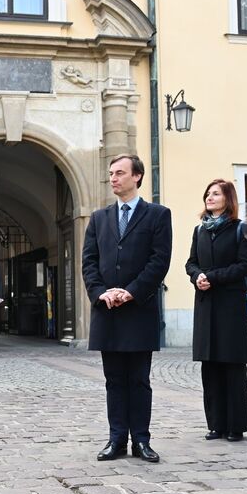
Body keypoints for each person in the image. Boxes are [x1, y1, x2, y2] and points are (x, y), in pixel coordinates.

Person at [82, 153, 172, 463]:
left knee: (139, 380)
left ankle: (141, 441)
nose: (113, 178)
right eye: (111, 173)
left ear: (137, 176)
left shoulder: (158, 215)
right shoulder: (99, 218)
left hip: (139, 310)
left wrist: (131, 292)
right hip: (107, 310)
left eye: (120, 172)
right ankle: (117, 439)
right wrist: (101, 293)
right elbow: (89, 261)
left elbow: (159, 261)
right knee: (114, 380)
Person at [185, 179, 247, 443]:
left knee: (231, 364)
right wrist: (197, 277)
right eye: (208, 193)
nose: (209, 197)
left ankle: (236, 426)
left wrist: (213, 277)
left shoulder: (240, 229)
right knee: (210, 364)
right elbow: (191, 263)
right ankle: (215, 424)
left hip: (230, 305)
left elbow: (246, 265)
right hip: (206, 304)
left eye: (216, 193)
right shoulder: (200, 230)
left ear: (228, 198)